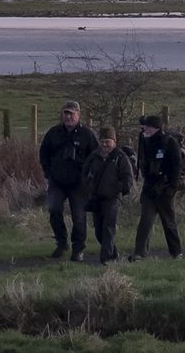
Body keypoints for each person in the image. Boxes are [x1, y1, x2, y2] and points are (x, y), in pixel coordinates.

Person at [38, 99, 96, 261]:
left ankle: (78, 249)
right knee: (54, 210)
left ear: (78, 115)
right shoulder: (54, 133)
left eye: (71, 114)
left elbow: (96, 157)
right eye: (65, 114)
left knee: (79, 216)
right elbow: (44, 154)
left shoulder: (87, 135)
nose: (68, 117)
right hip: (57, 182)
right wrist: (48, 172)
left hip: (79, 184)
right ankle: (61, 243)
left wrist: (89, 177)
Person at [76, 125, 135, 263]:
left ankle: (105, 259)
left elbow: (128, 178)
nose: (104, 144)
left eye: (108, 141)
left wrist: (117, 188)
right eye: (102, 141)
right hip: (95, 199)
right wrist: (88, 188)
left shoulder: (120, 157)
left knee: (108, 229)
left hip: (112, 199)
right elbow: (84, 174)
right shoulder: (93, 156)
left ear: (114, 142)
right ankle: (113, 254)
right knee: (98, 232)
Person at [133, 111, 185, 259]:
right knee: (145, 220)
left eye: (148, 127)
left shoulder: (169, 142)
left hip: (165, 189)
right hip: (150, 187)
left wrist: (171, 188)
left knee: (168, 222)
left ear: (156, 127)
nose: (145, 130)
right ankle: (139, 253)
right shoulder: (145, 141)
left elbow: (176, 166)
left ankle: (176, 252)